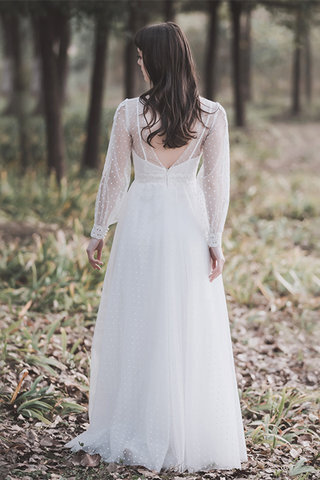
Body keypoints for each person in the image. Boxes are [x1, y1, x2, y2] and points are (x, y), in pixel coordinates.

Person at [64, 21, 248, 473]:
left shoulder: (129, 113)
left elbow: (113, 176)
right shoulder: (211, 115)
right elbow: (215, 185)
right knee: (182, 322)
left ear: (157, 60)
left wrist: (99, 229)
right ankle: (181, 426)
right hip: (186, 226)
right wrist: (213, 238)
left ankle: (138, 421)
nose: (140, 64)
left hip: (142, 224)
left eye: (143, 57)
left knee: (140, 321)